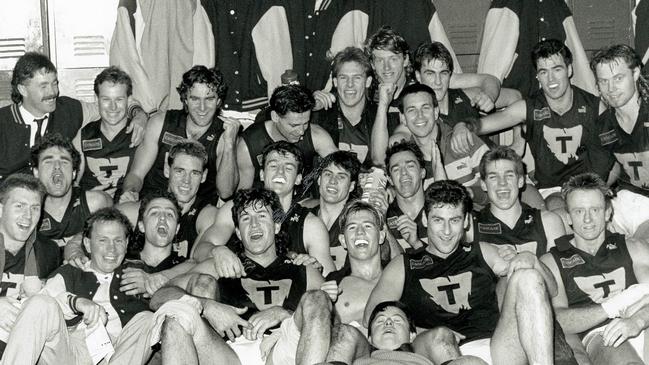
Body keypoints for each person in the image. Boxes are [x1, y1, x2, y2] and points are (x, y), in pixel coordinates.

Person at [365, 180, 564, 365]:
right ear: (425, 219)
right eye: (438, 220)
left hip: (498, 346)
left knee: (527, 276)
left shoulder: (483, 251)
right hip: (440, 352)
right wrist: (425, 332)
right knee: (442, 339)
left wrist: (533, 261)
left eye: (454, 220)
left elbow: (550, 289)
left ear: (466, 221)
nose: (446, 231)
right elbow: (370, 318)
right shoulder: (404, 264)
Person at [149, 188, 325, 365]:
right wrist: (207, 306)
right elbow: (159, 297)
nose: (254, 224)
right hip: (229, 354)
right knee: (176, 319)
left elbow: (331, 321)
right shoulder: (220, 266)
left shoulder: (302, 269)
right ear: (239, 233)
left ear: (276, 226)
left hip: (282, 348)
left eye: (262, 216)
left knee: (318, 298)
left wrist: (286, 315)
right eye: (246, 218)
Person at [452, 39, 613, 210]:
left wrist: (595, 190)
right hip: (552, 191)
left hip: (588, 186)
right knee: (556, 211)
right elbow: (486, 124)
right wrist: (463, 125)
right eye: (543, 72)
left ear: (569, 70)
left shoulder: (594, 107)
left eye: (557, 69)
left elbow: (611, 160)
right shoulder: (530, 107)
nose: (551, 79)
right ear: (537, 75)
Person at [1, 207, 156, 365]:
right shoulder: (70, 272)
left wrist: (153, 286)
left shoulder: (140, 274)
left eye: (118, 240)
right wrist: (76, 302)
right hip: (70, 351)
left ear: (127, 243)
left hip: (121, 353)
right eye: (103, 240)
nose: (112, 249)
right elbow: (38, 307)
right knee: (40, 303)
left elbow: (168, 301)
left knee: (149, 319)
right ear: (88, 244)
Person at [540, 173, 649, 365]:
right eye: (579, 211)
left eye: (595, 210)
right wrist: (612, 307)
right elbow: (558, 320)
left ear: (607, 212)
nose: (588, 219)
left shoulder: (634, 247)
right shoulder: (552, 260)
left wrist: (637, 321)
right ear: (569, 217)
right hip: (601, 334)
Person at [0, 52, 147, 182]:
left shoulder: (68, 110)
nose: (53, 92)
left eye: (54, 83)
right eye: (43, 86)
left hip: (53, 200)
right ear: (22, 89)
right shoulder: (3, 122)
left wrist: (139, 114)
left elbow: (110, 103)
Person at [193, 141, 335, 275]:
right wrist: (217, 251)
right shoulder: (235, 208)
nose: (280, 172)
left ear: (298, 178)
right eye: (273, 166)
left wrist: (316, 268)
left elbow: (328, 277)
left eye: (288, 167)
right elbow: (200, 251)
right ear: (262, 174)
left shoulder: (310, 224)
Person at [366, 26, 501, 167]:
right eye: (380, 60)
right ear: (372, 64)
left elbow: (490, 81)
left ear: (405, 60)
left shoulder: (429, 80)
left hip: (466, 160)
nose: (386, 67)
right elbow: (380, 159)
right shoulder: (368, 95)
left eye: (393, 58)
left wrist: (488, 96)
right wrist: (383, 104)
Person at [121, 65, 240, 205]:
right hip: (153, 202)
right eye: (195, 99)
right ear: (185, 100)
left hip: (196, 211)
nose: (202, 108)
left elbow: (226, 192)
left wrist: (229, 145)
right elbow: (136, 175)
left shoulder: (225, 134)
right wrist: (131, 192)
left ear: (219, 101)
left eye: (209, 99)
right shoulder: (160, 123)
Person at [395, 84, 490, 206]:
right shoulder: (405, 159)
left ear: (436, 112)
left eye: (425, 108)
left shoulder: (464, 140)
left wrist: (467, 193)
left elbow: (496, 187)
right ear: (403, 118)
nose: (420, 116)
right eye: (412, 110)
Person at [119, 141, 217, 260]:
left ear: (204, 176)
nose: (186, 180)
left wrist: (156, 279)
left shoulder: (207, 216)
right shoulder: (139, 210)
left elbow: (196, 263)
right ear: (167, 169)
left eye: (195, 173)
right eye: (179, 171)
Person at [591, 44, 649, 238]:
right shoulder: (603, 126)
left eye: (618, 78)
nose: (611, 89)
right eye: (604, 81)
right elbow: (601, 175)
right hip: (626, 200)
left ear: (635, 73)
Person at [237, 84, 337, 192]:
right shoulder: (249, 144)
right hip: (262, 203)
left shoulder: (317, 135)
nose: (301, 131)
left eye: (305, 123)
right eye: (294, 125)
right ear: (275, 117)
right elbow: (243, 195)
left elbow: (344, 167)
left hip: (303, 202)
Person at [32, 133, 112, 265]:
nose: (57, 167)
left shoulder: (96, 203)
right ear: (36, 172)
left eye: (64, 162)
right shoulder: (27, 209)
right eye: (48, 161)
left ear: (74, 172)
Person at [310, 47, 400, 164]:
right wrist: (308, 107)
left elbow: (381, 162)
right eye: (343, 78)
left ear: (367, 82)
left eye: (357, 77)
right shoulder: (320, 116)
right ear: (335, 82)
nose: (350, 85)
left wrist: (383, 105)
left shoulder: (383, 117)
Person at [473, 146, 565, 257]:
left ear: (521, 181)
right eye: (493, 177)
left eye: (509, 175)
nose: (502, 183)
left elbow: (561, 272)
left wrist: (530, 262)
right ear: (483, 184)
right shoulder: (471, 227)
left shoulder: (549, 222)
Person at [0, 174, 53, 358]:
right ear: (0, 209)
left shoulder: (48, 252)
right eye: (19, 206)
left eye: (35, 208)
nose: (28, 216)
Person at [74, 66, 137, 199]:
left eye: (119, 99)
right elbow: (73, 183)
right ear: (96, 100)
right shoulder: (83, 135)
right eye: (106, 99)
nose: (112, 107)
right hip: (92, 210)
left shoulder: (139, 132)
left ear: (129, 100)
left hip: (128, 207)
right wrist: (87, 197)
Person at [308, 150, 362, 270]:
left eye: (341, 176)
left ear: (352, 186)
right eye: (328, 174)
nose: (333, 181)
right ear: (319, 179)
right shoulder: (304, 219)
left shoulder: (358, 221)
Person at [384, 141, 434, 251]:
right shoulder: (384, 217)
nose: (403, 173)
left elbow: (450, 264)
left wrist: (416, 243)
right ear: (390, 179)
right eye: (396, 169)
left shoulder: (439, 211)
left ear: (422, 172)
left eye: (410, 166)